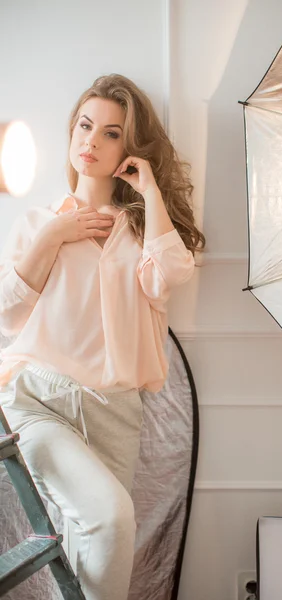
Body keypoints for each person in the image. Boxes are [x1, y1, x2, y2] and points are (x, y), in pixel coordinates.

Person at [0, 73, 205, 600]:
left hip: (116, 411)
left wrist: (151, 191)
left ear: (129, 151)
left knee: (90, 545)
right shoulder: (37, 221)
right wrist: (52, 234)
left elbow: (171, 275)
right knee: (111, 521)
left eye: (111, 134)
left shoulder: (139, 234)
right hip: (39, 402)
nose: (92, 141)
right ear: (72, 133)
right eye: (86, 126)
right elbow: (6, 313)